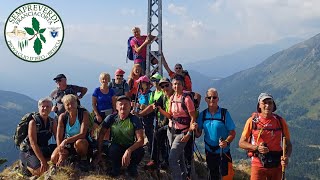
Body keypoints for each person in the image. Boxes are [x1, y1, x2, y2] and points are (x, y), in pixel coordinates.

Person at [239, 93, 292, 180]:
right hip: (258, 164)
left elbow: (289, 144)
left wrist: (287, 157)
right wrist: (257, 148)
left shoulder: (280, 121)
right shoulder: (252, 121)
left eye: (270, 103)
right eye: (264, 103)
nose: (267, 105)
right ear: (259, 105)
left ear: (273, 105)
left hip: (277, 165)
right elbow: (241, 143)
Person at [93, 95, 145, 177]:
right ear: (116, 107)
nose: (123, 106)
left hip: (129, 146)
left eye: (126, 104)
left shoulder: (134, 119)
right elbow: (101, 134)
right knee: (113, 149)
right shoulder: (111, 118)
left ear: (130, 106)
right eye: (120, 104)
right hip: (116, 146)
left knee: (140, 151)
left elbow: (140, 140)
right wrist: (99, 152)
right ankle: (116, 167)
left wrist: (129, 151)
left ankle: (132, 167)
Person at [191, 88, 236, 179]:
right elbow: (198, 134)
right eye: (209, 97)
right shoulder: (203, 115)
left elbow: (232, 132)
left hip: (223, 152)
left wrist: (226, 142)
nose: (212, 100)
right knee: (212, 175)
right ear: (206, 99)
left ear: (218, 99)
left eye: (214, 97)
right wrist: (195, 129)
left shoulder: (224, 114)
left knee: (226, 177)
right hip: (209, 152)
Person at [158, 76, 197, 180]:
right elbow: (171, 115)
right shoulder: (172, 98)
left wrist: (189, 134)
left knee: (172, 159)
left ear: (183, 85)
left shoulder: (187, 99)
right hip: (171, 131)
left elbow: (193, 118)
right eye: (175, 84)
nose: (176, 86)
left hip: (182, 132)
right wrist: (160, 110)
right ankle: (184, 176)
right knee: (179, 158)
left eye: (178, 84)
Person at [51, 94, 90, 169]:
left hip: (82, 141)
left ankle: (83, 159)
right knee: (54, 158)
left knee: (80, 143)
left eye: (72, 103)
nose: (70, 106)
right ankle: (70, 158)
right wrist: (60, 152)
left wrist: (66, 141)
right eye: (67, 104)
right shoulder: (63, 117)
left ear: (76, 103)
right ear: (64, 107)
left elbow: (82, 134)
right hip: (68, 144)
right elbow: (59, 136)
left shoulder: (83, 114)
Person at [19, 97, 57, 176]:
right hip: (29, 150)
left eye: (48, 106)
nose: (45, 108)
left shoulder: (52, 122)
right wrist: (42, 161)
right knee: (42, 171)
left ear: (51, 108)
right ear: (39, 107)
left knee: (65, 152)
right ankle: (25, 165)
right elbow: (33, 144)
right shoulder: (33, 122)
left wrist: (61, 152)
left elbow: (58, 138)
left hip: (43, 148)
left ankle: (44, 160)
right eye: (43, 106)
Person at [92, 72, 116, 140]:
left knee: (107, 129)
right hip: (100, 112)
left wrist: (114, 112)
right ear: (100, 80)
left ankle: (106, 143)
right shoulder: (97, 90)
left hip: (109, 112)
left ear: (108, 80)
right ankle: (95, 141)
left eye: (106, 79)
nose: (104, 81)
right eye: (103, 79)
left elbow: (114, 103)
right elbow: (94, 104)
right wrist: (97, 115)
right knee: (95, 127)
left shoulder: (111, 91)